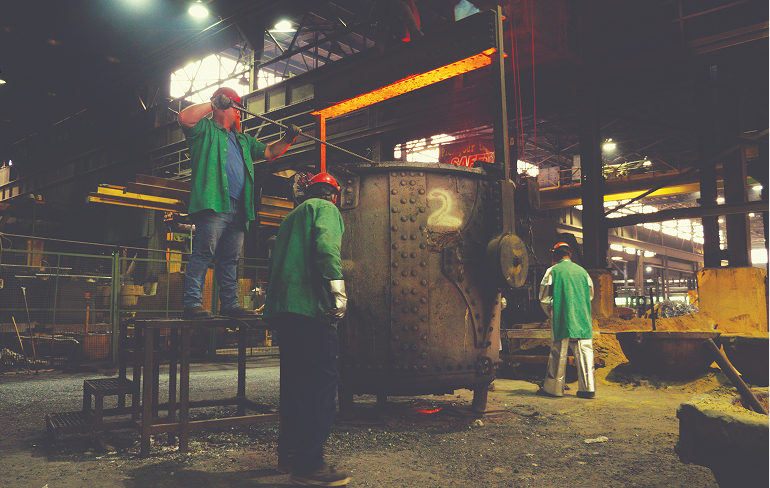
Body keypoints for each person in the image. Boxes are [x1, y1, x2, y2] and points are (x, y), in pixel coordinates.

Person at [177, 86, 300, 319]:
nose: (240, 115)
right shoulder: (204, 130)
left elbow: (270, 152)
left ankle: (230, 305)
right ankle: (192, 304)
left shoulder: (243, 140)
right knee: (204, 252)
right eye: (237, 109)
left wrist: (288, 138)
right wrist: (214, 103)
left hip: (239, 208)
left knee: (230, 259)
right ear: (225, 106)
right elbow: (184, 117)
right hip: (214, 203)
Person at [263, 173, 350, 486]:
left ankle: (289, 454)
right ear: (334, 195)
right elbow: (326, 247)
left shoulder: (290, 218)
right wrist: (338, 290)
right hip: (311, 310)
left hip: (285, 311)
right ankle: (310, 464)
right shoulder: (325, 209)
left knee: (295, 385)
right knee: (322, 384)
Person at [538, 242, 596, 399]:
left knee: (559, 352)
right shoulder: (583, 272)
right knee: (585, 351)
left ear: (555, 255)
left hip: (562, 316)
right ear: (570, 254)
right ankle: (588, 388)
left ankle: (554, 389)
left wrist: (553, 312)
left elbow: (544, 298)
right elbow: (590, 295)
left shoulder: (552, 271)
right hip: (582, 317)